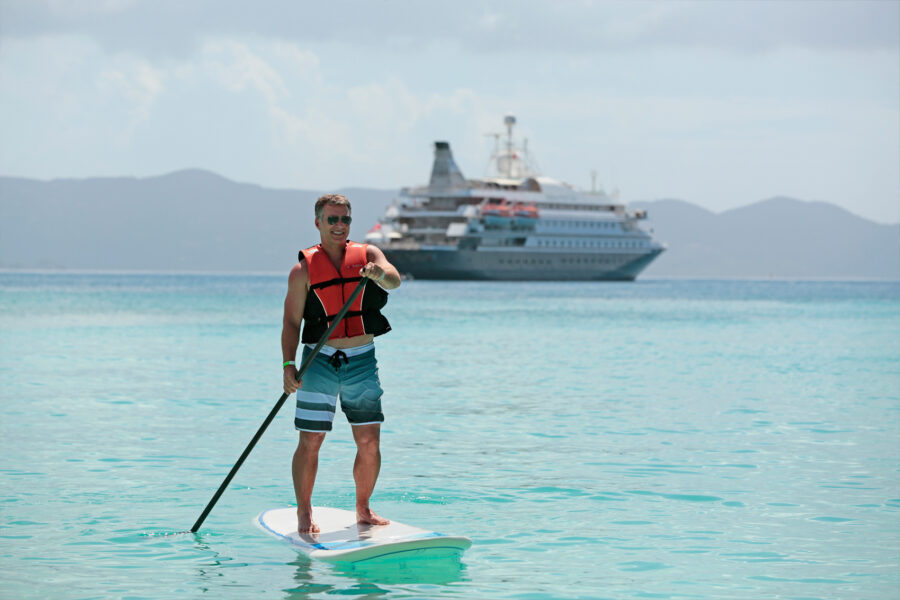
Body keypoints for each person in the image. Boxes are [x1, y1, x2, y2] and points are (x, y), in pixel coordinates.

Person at [281, 193, 401, 535]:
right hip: (318, 363)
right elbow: (291, 322)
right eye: (332, 219)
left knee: (369, 441)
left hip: (361, 361)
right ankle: (304, 513)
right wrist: (288, 365)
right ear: (318, 222)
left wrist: (378, 273)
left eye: (344, 219)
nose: (339, 225)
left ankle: (363, 508)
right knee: (312, 440)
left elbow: (394, 280)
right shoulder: (302, 270)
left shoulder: (369, 255)